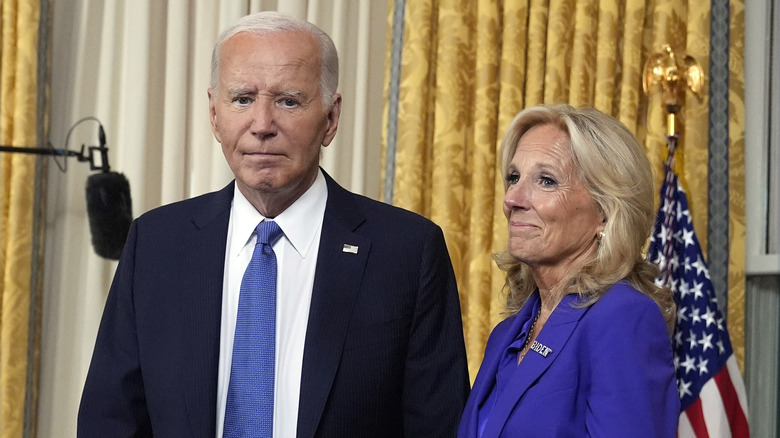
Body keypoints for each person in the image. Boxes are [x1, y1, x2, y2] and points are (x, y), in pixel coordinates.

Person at [78, 11, 469, 437]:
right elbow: (110, 421)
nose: (262, 125)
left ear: (331, 119)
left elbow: (439, 426)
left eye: (288, 101)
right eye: (242, 99)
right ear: (214, 114)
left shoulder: (407, 252)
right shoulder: (156, 244)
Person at [458, 104, 679, 437]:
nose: (513, 199)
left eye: (546, 181)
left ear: (605, 213)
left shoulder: (622, 317)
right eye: (513, 178)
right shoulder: (506, 335)